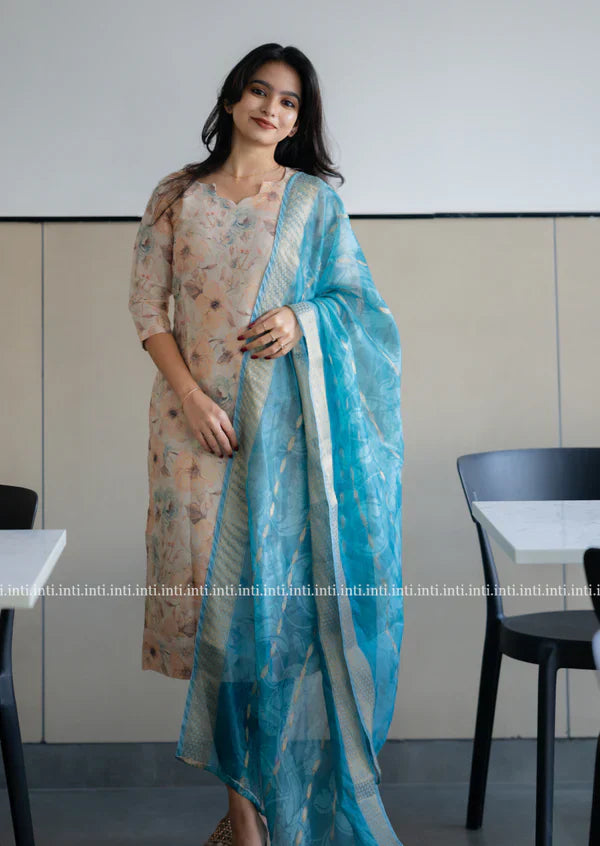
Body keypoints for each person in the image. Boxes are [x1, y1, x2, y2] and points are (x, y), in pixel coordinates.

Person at [129, 42, 404, 846]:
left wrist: (301, 317)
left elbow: (361, 309)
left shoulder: (313, 204)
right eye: (258, 91)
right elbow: (148, 310)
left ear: (297, 121)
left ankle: (249, 815)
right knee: (213, 628)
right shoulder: (176, 195)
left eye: (288, 102)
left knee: (272, 629)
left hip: (284, 446)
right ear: (231, 98)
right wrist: (192, 398)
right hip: (192, 438)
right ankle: (244, 818)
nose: (270, 109)